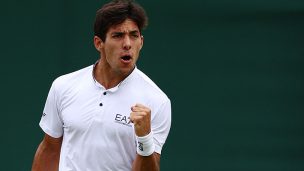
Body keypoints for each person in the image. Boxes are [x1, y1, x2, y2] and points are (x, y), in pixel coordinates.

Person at [31, 0, 171, 170]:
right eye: (118, 35)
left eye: (134, 35)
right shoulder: (63, 86)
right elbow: (49, 150)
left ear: (141, 42)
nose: (127, 44)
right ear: (99, 43)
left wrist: (144, 138)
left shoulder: (157, 100)